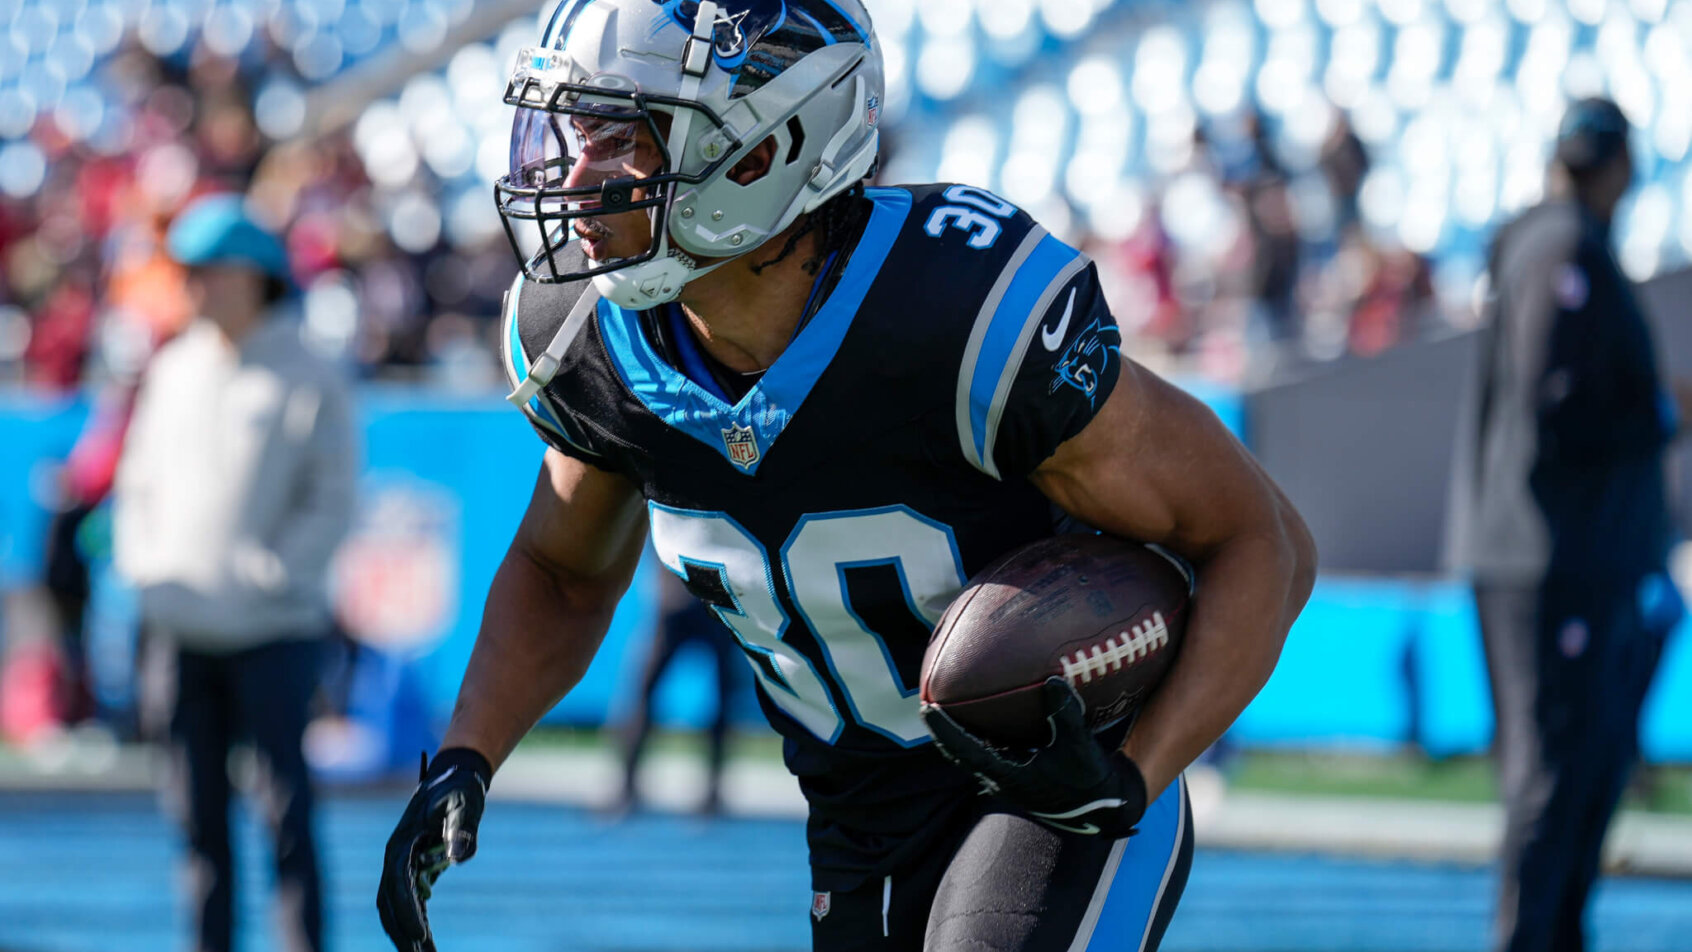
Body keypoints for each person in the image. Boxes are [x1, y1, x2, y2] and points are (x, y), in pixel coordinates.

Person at [376, 2, 1315, 949]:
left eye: (622, 143)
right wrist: (468, 756)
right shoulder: (587, 338)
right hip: (857, 824)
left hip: (1053, 790)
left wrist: (1130, 777)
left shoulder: (957, 314)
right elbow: (563, 572)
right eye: (574, 138)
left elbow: (1262, 540)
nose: (577, 180)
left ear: (762, 151)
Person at [1456, 97, 1690, 952]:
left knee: (1585, 770)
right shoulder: (1560, 247)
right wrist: (1662, 407)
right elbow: (1556, 400)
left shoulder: (1559, 243)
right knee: (1553, 775)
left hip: (1577, 556)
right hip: (1553, 561)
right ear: (1620, 166)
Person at [114, 194, 358, 952]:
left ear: (252, 275)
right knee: (196, 823)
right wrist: (148, 570)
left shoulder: (309, 372)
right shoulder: (173, 367)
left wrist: (274, 575)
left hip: (273, 630)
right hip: (181, 628)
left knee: (287, 815)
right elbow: (136, 485)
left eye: (207, 269)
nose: (192, 285)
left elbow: (332, 495)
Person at [613, 565, 741, 816]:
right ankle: (626, 786)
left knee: (723, 696)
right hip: (677, 602)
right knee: (643, 691)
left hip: (715, 604)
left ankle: (713, 791)